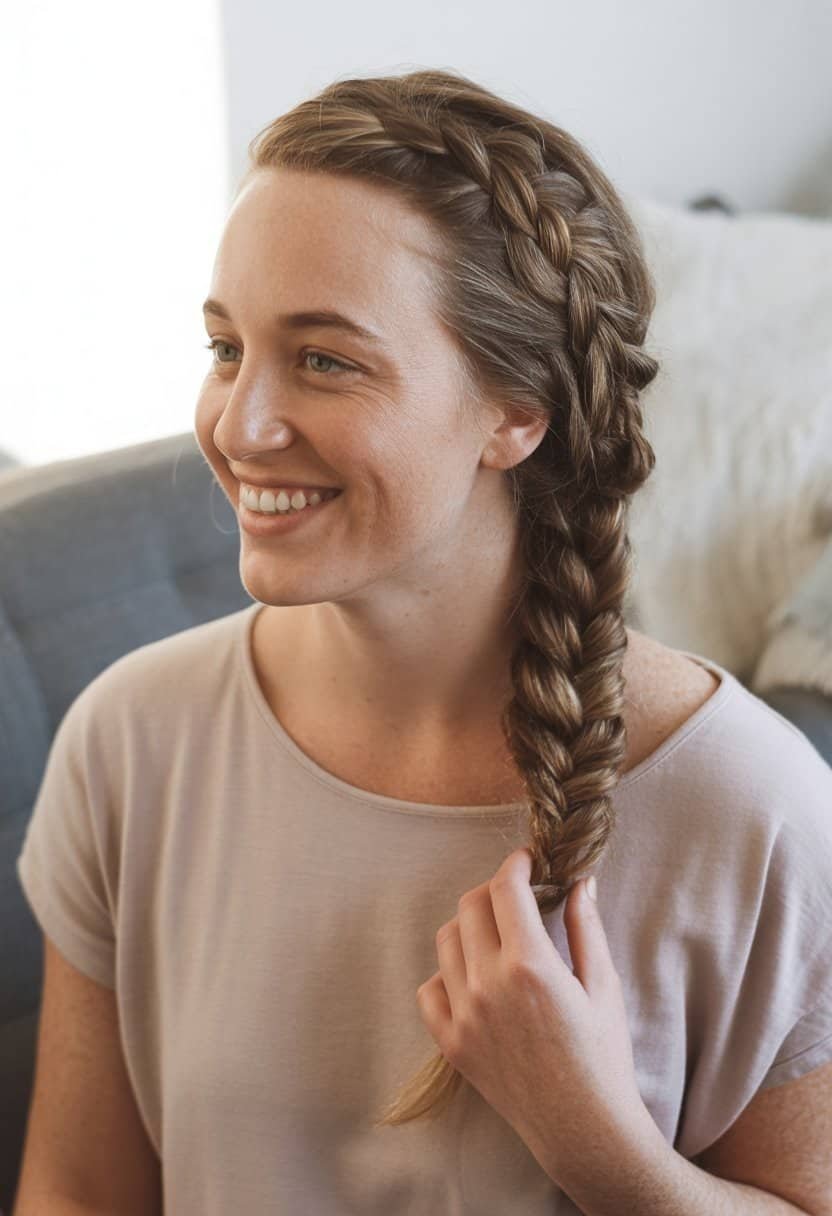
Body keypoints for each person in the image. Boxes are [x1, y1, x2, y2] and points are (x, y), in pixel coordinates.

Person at [17, 67, 832, 1215]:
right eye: (225, 349)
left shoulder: (750, 813)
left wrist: (601, 1146)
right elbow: (74, 1191)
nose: (239, 426)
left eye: (325, 358)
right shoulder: (129, 744)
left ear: (516, 410)